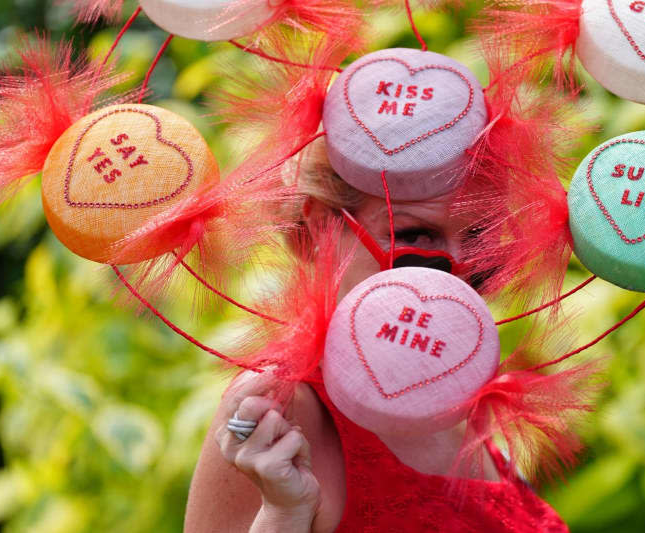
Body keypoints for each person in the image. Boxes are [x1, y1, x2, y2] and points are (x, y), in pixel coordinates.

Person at [183, 142, 568, 532]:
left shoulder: (451, 393)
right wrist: (282, 516)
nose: (457, 273)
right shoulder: (280, 407)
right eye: (415, 237)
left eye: (478, 241)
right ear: (321, 225)